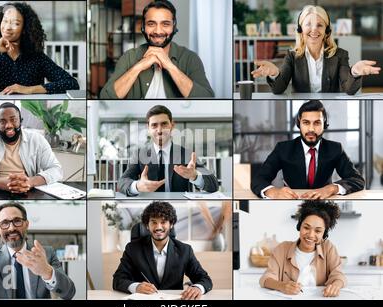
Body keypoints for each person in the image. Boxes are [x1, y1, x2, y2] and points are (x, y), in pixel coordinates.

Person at [251, 5, 380, 94]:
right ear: (300, 30)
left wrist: (355, 72)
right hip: (302, 107)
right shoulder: (292, 56)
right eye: (308, 24)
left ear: (327, 31)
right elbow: (279, 89)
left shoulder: (340, 54)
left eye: (319, 25)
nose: (314, 29)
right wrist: (274, 73)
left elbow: (349, 89)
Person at [251, 100, 364, 199]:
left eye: (317, 123)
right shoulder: (283, 148)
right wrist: (274, 192)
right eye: (306, 123)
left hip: (324, 202)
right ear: (299, 124)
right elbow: (258, 179)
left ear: (324, 125)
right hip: (290, 202)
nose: (311, 129)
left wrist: (331, 189)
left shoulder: (335, 149)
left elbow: (357, 180)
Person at [100, 0, 214, 99]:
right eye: (151, 24)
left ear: (174, 27)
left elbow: (207, 98)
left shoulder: (190, 58)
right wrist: (139, 66)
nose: (158, 31)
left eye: (165, 24)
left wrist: (170, 66)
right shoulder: (129, 57)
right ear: (143, 27)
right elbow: (105, 97)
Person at [0, 202, 76, 299]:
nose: (11, 228)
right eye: (5, 223)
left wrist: (47, 272)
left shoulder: (46, 254)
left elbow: (68, 293)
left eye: (17, 221)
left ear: (26, 224)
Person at [0, 2, 79, 94]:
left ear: (25, 29)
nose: (7, 27)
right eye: (5, 21)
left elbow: (72, 84)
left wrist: (29, 90)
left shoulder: (37, 57)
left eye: (15, 23)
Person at [113, 201, 213, 300]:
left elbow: (205, 279)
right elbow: (118, 280)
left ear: (171, 224)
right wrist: (136, 287)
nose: (158, 227)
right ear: (147, 225)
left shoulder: (185, 250)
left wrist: (197, 288)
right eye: (154, 222)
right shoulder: (133, 249)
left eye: (163, 222)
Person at [118, 105, 219, 196]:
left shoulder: (186, 154)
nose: (160, 130)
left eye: (164, 124)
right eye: (154, 125)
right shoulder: (139, 154)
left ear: (172, 125)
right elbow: (122, 182)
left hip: (180, 208)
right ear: (148, 128)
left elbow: (214, 184)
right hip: (150, 207)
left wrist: (195, 176)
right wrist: (137, 186)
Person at [0, 102, 62, 193]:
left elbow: (56, 170)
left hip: (27, 190)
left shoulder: (37, 139)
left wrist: (30, 182)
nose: (8, 125)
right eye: (2, 121)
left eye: (13, 120)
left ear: (20, 121)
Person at [260, 200, 346, 297]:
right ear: (299, 226)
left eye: (318, 231)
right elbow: (266, 279)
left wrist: (335, 285)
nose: (311, 235)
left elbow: (338, 276)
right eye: (306, 228)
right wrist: (282, 286)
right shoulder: (282, 249)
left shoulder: (328, 248)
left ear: (324, 234)